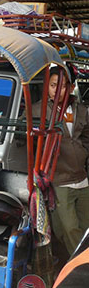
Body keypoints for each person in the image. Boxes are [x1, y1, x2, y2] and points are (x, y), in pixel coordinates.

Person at [33, 66, 89, 256]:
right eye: (53, 85)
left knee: (85, 227)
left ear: (71, 87)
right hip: (59, 179)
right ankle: (80, 269)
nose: (58, 90)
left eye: (63, 86)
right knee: (69, 228)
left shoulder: (81, 109)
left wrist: (81, 152)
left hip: (82, 178)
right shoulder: (39, 110)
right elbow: (27, 141)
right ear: (46, 87)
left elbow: (86, 137)